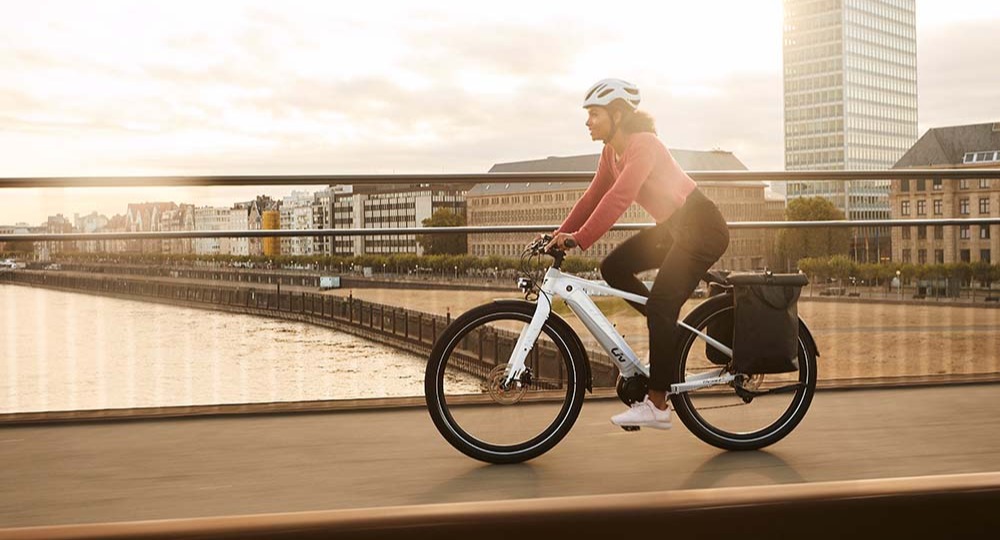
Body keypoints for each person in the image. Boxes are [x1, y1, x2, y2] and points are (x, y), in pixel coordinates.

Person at [544, 78, 730, 429]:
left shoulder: (644, 144)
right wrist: (558, 234)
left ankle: (658, 404)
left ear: (617, 114)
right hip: (674, 226)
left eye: (594, 114)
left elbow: (619, 197)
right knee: (614, 267)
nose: (587, 121)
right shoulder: (609, 153)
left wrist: (579, 238)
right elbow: (592, 197)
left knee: (660, 305)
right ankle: (668, 337)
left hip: (701, 227)